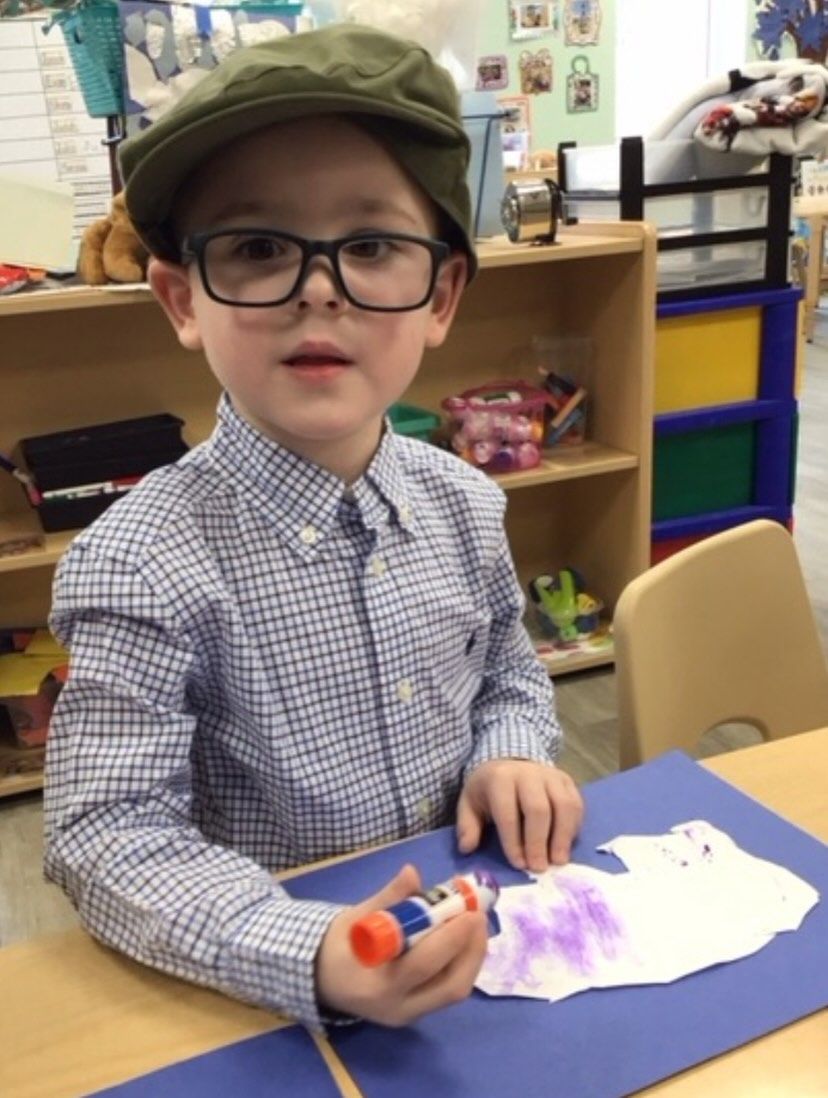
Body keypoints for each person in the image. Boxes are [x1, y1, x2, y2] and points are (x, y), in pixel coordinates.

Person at [44, 22, 584, 1032]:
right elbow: (105, 833)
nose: (321, 287)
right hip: (265, 1004)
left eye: (373, 246)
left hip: (481, 955)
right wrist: (309, 952)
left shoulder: (466, 502)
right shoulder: (137, 564)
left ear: (442, 296)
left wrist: (514, 750)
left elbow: (508, 672)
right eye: (257, 249)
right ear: (180, 299)